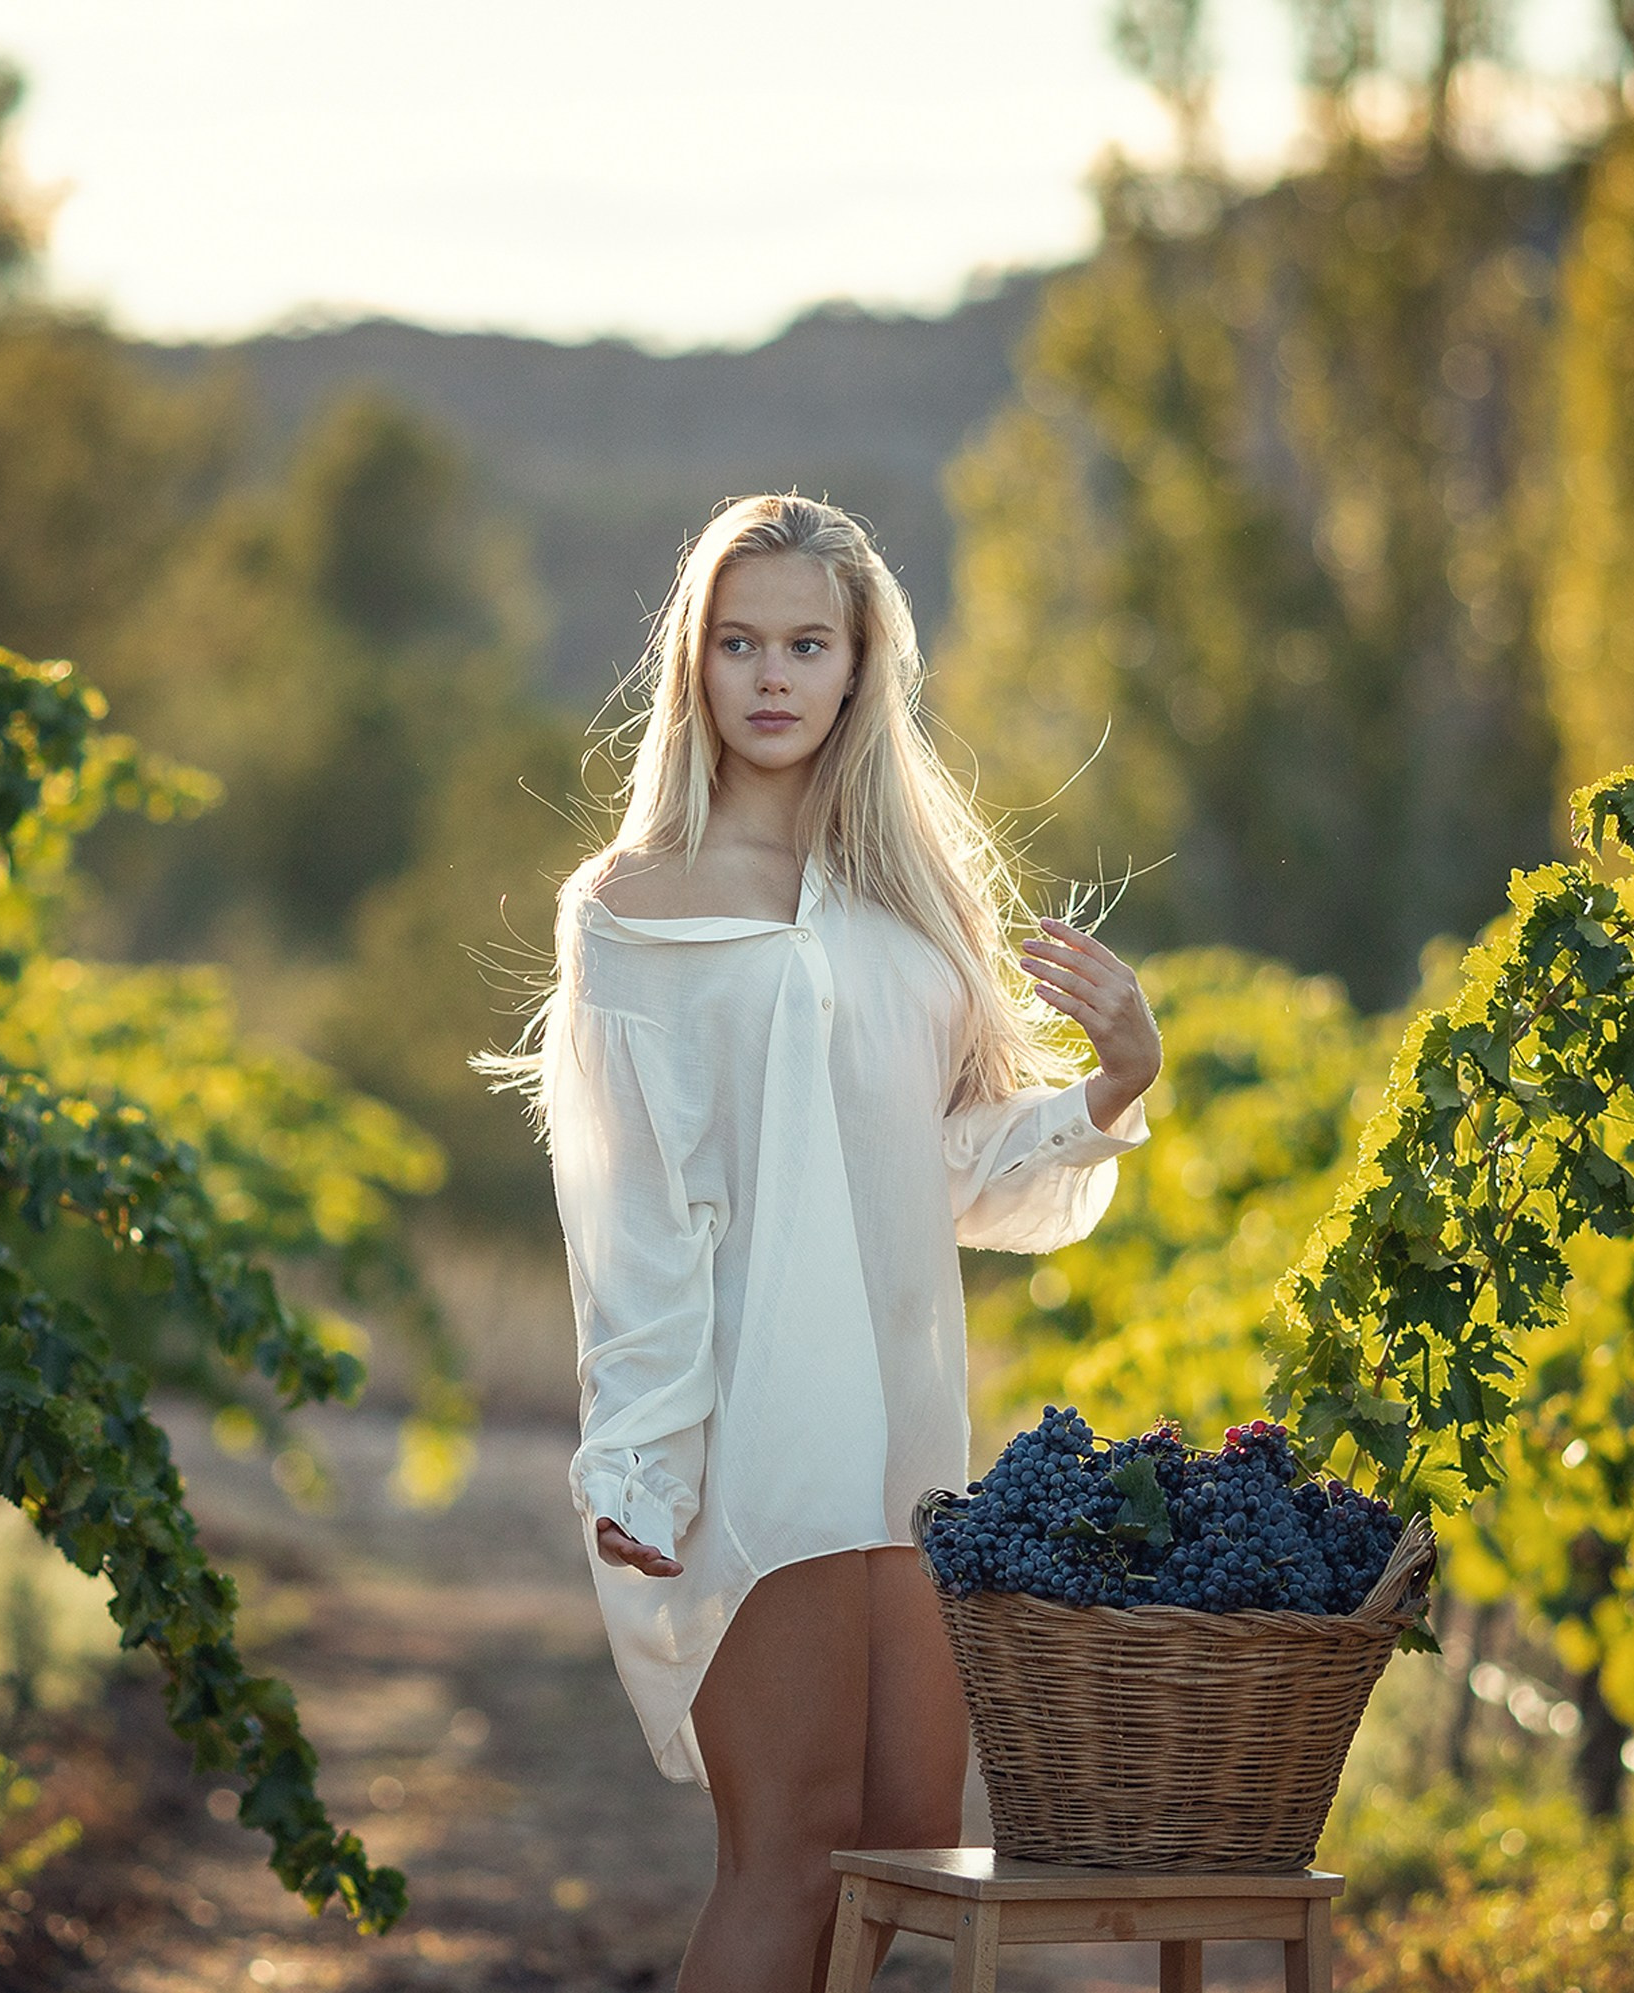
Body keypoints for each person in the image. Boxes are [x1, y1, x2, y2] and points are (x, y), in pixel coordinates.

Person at [489, 493, 1161, 1993]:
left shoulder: (905, 912)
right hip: (754, 1433)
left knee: (908, 1850)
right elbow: (634, 1215)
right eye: (738, 642)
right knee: (789, 1855)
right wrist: (639, 1456)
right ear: (693, 662)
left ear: (861, 666)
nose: (771, 676)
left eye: (806, 643)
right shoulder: (626, 911)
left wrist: (1112, 1086)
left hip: (907, 1442)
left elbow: (948, 1171)